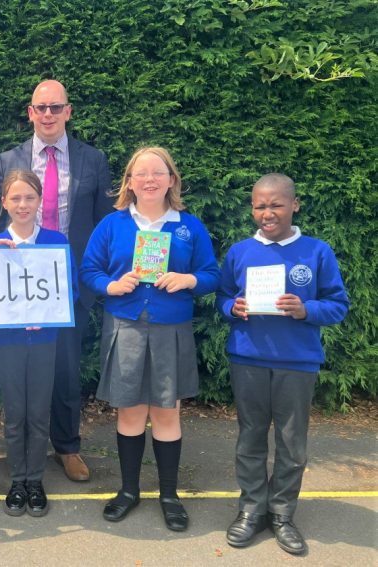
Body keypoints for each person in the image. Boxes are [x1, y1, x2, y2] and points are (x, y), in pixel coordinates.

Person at [80, 146, 219, 531]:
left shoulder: (188, 226)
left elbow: (211, 273)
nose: (150, 179)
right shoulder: (113, 225)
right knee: (130, 411)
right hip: (125, 325)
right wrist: (110, 284)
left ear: (171, 180)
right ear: (130, 182)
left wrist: (188, 279)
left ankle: (169, 495)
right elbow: (88, 270)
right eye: (141, 174)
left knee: (166, 412)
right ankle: (128, 491)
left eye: (158, 173)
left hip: (170, 327)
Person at [0, 79, 113, 482]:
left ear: (68, 111)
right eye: (41, 108)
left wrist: (91, 282)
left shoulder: (93, 159)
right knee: (23, 372)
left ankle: (68, 447)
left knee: (65, 370)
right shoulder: (9, 160)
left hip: (68, 286)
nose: (48, 115)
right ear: (30, 112)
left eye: (56, 107)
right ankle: (23, 452)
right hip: (17, 290)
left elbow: (102, 224)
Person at [216, 173, 348, 555]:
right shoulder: (240, 251)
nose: (267, 213)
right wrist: (231, 307)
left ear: (294, 204)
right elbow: (223, 296)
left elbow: (337, 305)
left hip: (297, 361)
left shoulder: (316, 251)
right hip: (249, 358)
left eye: (275, 204)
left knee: (292, 443)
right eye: (259, 205)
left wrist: (307, 309)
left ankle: (282, 514)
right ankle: (251, 510)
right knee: (250, 438)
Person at [0, 170, 78, 517]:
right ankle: (17, 479)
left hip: (44, 339)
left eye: (29, 198)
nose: (22, 205)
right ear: (4, 202)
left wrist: (50, 315)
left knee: (38, 412)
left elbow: (70, 291)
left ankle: (35, 480)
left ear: (40, 201)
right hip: (8, 340)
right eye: (16, 198)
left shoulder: (55, 241)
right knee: (14, 413)